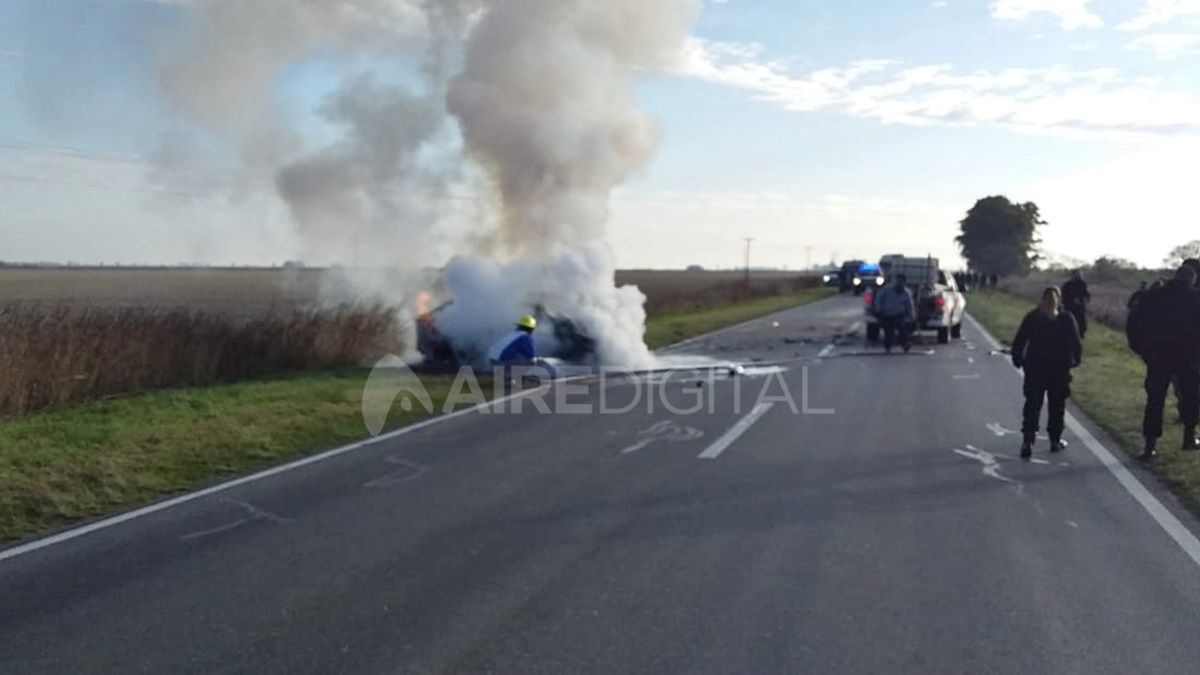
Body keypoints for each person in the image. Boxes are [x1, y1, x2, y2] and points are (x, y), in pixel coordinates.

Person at [1126, 265, 1200, 459]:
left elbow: (1133, 323)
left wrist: (1142, 350)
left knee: (1155, 400)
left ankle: (1150, 445)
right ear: (1192, 280)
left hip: (1158, 356)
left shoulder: (1153, 296)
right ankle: (1189, 437)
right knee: (1191, 398)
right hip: (1188, 357)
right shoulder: (1196, 298)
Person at [1011, 287, 1082, 459]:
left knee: (1033, 404)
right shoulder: (1065, 318)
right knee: (1056, 405)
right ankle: (1054, 440)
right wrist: (1075, 360)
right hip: (1058, 368)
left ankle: (1028, 440)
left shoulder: (1034, 317)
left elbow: (1020, 339)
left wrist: (1018, 359)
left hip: (1036, 366)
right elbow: (1076, 342)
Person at [874, 274, 916, 354]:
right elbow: (879, 299)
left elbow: (910, 306)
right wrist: (878, 309)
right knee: (889, 332)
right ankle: (888, 347)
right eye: (898, 281)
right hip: (887, 314)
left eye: (902, 282)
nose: (900, 284)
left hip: (899, 315)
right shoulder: (886, 290)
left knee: (903, 331)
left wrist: (912, 317)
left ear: (904, 283)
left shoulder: (906, 292)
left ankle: (905, 345)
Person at [1061, 270, 1091, 340]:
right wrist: (1071, 300)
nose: (1079, 276)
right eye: (1077, 274)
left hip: (1080, 308)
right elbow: (1063, 296)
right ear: (1073, 275)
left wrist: (1085, 299)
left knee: (1081, 323)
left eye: (1080, 274)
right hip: (1070, 307)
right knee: (1070, 323)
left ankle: (1081, 336)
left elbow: (1086, 294)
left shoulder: (1083, 284)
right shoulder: (1067, 285)